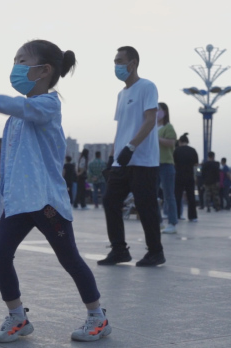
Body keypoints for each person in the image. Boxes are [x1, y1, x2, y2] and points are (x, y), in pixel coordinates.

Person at [0, 39, 110, 342]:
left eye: (22, 61)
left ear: (44, 70)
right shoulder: (17, 119)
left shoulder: (48, 105)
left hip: (46, 202)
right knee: (0, 254)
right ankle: (17, 317)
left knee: (69, 258)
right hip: (20, 202)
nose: (15, 67)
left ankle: (97, 316)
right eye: (15, 60)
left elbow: (17, 105)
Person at [99, 46, 165, 267]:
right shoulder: (121, 94)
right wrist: (113, 156)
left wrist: (131, 147)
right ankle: (119, 250)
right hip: (122, 160)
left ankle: (156, 252)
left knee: (146, 207)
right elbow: (121, 128)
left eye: (120, 61)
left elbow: (149, 120)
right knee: (110, 201)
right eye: (115, 62)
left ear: (133, 63)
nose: (116, 66)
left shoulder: (147, 87)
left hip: (143, 160)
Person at [156, 102, 178, 234]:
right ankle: (158, 222)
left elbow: (171, 143)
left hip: (166, 164)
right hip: (153, 164)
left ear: (164, 111)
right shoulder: (152, 127)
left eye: (158, 109)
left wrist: (157, 138)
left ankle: (172, 222)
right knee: (152, 195)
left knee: (169, 195)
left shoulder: (168, 127)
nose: (156, 112)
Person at [174, 133, 199, 222]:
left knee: (177, 196)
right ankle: (193, 216)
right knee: (191, 197)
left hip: (178, 175)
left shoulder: (176, 150)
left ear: (180, 141)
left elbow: (174, 163)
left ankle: (177, 215)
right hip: (189, 176)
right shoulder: (193, 150)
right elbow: (196, 165)